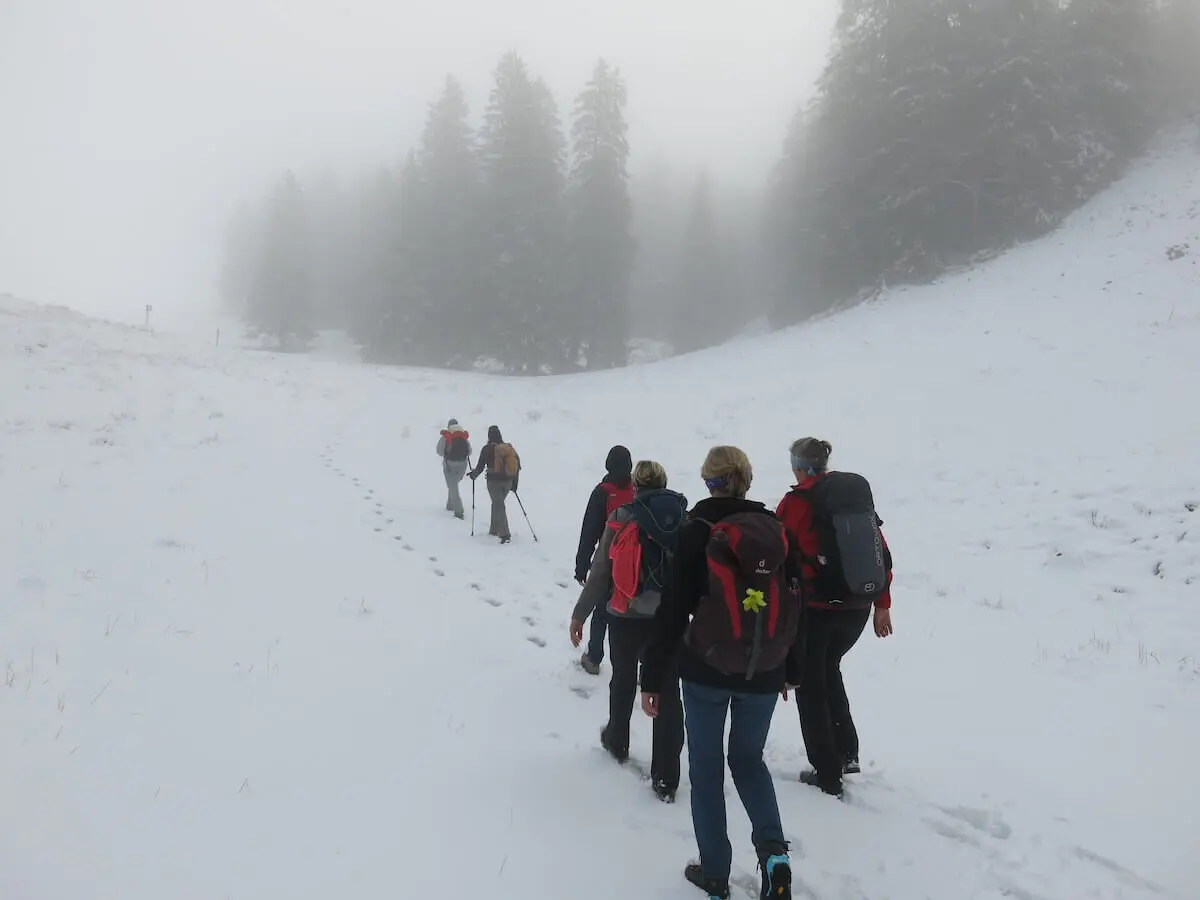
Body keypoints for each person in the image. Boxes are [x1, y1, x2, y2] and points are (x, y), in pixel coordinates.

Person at [641, 446, 799, 900]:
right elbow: (793, 603)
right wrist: (789, 667)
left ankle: (715, 874)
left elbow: (673, 611)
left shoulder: (698, 531)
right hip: (765, 672)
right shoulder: (775, 530)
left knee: (706, 769)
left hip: (705, 670)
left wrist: (651, 677)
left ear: (708, 481)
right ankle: (774, 855)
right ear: (746, 479)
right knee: (749, 762)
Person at [775, 438, 894, 799]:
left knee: (810, 684)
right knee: (829, 670)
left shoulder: (796, 503)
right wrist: (882, 604)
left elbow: (779, 555)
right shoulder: (851, 500)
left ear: (797, 465)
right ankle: (847, 752)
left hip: (816, 608)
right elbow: (881, 553)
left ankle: (826, 771)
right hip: (857, 609)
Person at [569, 460, 687, 801]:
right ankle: (666, 775)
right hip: (668, 618)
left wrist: (581, 613)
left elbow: (601, 571)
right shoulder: (682, 517)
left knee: (622, 678)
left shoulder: (622, 518)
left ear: (635, 486)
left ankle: (617, 740)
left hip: (625, 614)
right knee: (667, 690)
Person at [574, 445, 635, 675]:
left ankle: (594, 658)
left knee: (601, 611)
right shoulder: (638, 490)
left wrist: (582, 565)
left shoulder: (602, 492)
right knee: (633, 614)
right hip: (636, 563)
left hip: (608, 562)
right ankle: (637, 665)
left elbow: (589, 531)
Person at [468, 426, 520, 544]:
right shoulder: (508, 448)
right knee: (497, 503)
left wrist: (473, 475)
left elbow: (480, 467)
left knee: (498, 505)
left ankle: (505, 534)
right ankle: (494, 529)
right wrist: (514, 484)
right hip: (508, 482)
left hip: (494, 482)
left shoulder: (487, 449)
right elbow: (517, 467)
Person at [435, 418, 472, 520]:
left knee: (452, 486)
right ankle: (450, 504)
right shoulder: (463, 436)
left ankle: (459, 511)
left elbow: (439, 451)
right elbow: (470, 451)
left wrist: (447, 453)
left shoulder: (446, 436)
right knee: (453, 485)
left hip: (449, 465)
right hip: (462, 465)